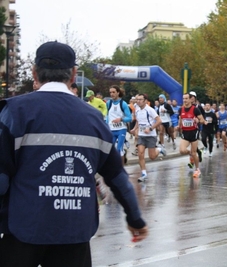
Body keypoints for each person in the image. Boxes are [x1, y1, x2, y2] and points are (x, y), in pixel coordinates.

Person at [0, 41, 148, 267]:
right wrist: (135, 218)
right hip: (75, 232)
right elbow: (117, 177)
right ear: (73, 75)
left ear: (34, 72)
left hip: (23, 230)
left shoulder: (14, 112)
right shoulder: (94, 119)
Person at [130, 93, 166, 182]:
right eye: (137, 99)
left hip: (150, 136)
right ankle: (144, 174)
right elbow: (138, 121)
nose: (138, 101)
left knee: (152, 157)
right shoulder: (137, 110)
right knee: (140, 154)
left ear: (145, 101)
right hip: (142, 135)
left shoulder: (150, 110)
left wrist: (150, 128)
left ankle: (159, 149)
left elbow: (159, 121)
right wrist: (134, 129)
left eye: (140, 99)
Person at [176, 93, 207, 178]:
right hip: (185, 132)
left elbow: (202, 120)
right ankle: (192, 154)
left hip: (194, 132)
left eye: (186, 98)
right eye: (183, 99)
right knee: (182, 150)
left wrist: (197, 120)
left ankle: (197, 170)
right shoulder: (181, 109)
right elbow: (180, 119)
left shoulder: (195, 109)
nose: (185, 100)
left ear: (190, 99)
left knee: (194, 153)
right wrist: (178, 127)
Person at [106, 85, 132, 165]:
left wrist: (120, 119)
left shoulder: (123, 104)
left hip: (121, 129)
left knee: (118, 149)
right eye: (110, 92)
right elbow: (108, 116)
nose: (112, 94)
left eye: (113, 92)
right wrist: (106, 126)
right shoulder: (108, 103)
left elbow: (129, 118)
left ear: (118, 93)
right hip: (111, 129)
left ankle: (120, 171)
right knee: (110, 150)